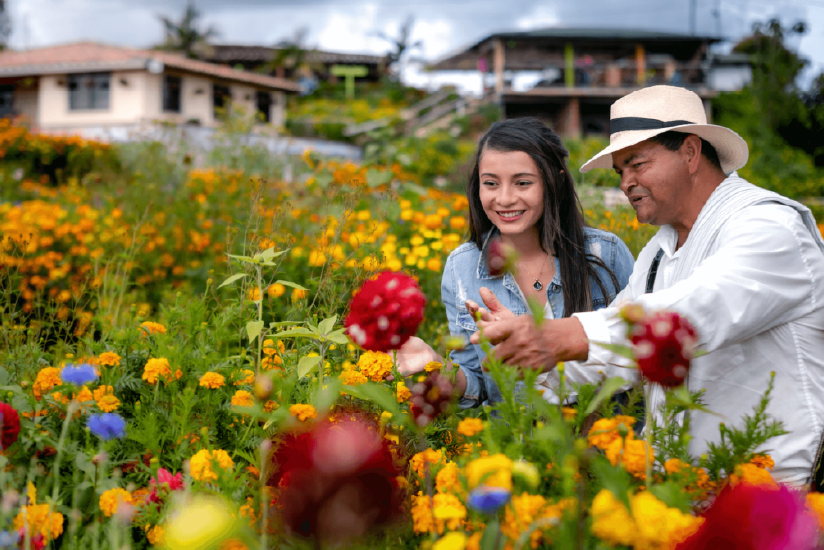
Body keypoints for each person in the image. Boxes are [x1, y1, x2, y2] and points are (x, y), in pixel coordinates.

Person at [474, 85, 824, 486]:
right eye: (620, 171)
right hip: (684, 491)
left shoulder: (770, 227)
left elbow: (695, 311)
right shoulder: (659, 252)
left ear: (691, 152)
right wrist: (525, 356)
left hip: (772, 496)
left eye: (638, 164)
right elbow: (611, 353)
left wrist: (563, 335)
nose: (627, 183)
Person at [396, 117, 636, 408]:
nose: (505, 198)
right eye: (491, 184)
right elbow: (478, 383)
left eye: (522, 183)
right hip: (515, 445)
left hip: (602, 444)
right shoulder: (463, 267)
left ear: (556, 180)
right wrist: (436, 367)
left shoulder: (604, 254)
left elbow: (636, 354)